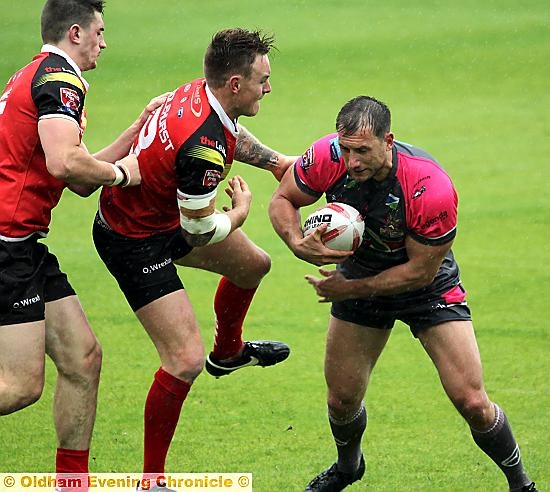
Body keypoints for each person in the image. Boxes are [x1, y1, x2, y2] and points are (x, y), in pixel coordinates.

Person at [269, 96, 537, 492]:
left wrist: (348, 288)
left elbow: (419, 271)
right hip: (359, 276)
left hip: (426, 287)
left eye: (362, 151)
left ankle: (521, 484)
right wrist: (294, 240)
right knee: (341, 400)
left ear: (388, 140)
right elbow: (283, 199)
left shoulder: (429, 185)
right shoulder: (328, 155)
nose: (352, 161)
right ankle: (348, 467)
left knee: (473, 402)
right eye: (346, 150)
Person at [92, 28, 292, 487]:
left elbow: (228, 135)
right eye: (263, 79)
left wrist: (276, 162)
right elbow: (198, 230)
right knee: (182, 359)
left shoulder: (201, 92)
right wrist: (240, 212)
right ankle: (152, 480)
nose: (269, 87)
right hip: (133, 239)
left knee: (253, 266)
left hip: (161, 218)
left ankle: (228, 354)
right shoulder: (201, 146)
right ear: (236, 84)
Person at [0, 0, 165, 486]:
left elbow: (77, 174)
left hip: (24, 243)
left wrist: (132, 136)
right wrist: (123, 174)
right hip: (7, 245)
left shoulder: (33, 73)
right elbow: (65, 165)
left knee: (83, 359)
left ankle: (71, 484)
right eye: (99, 31)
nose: (104, 42)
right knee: (19, 386)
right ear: (76, 32)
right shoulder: (60, 80)